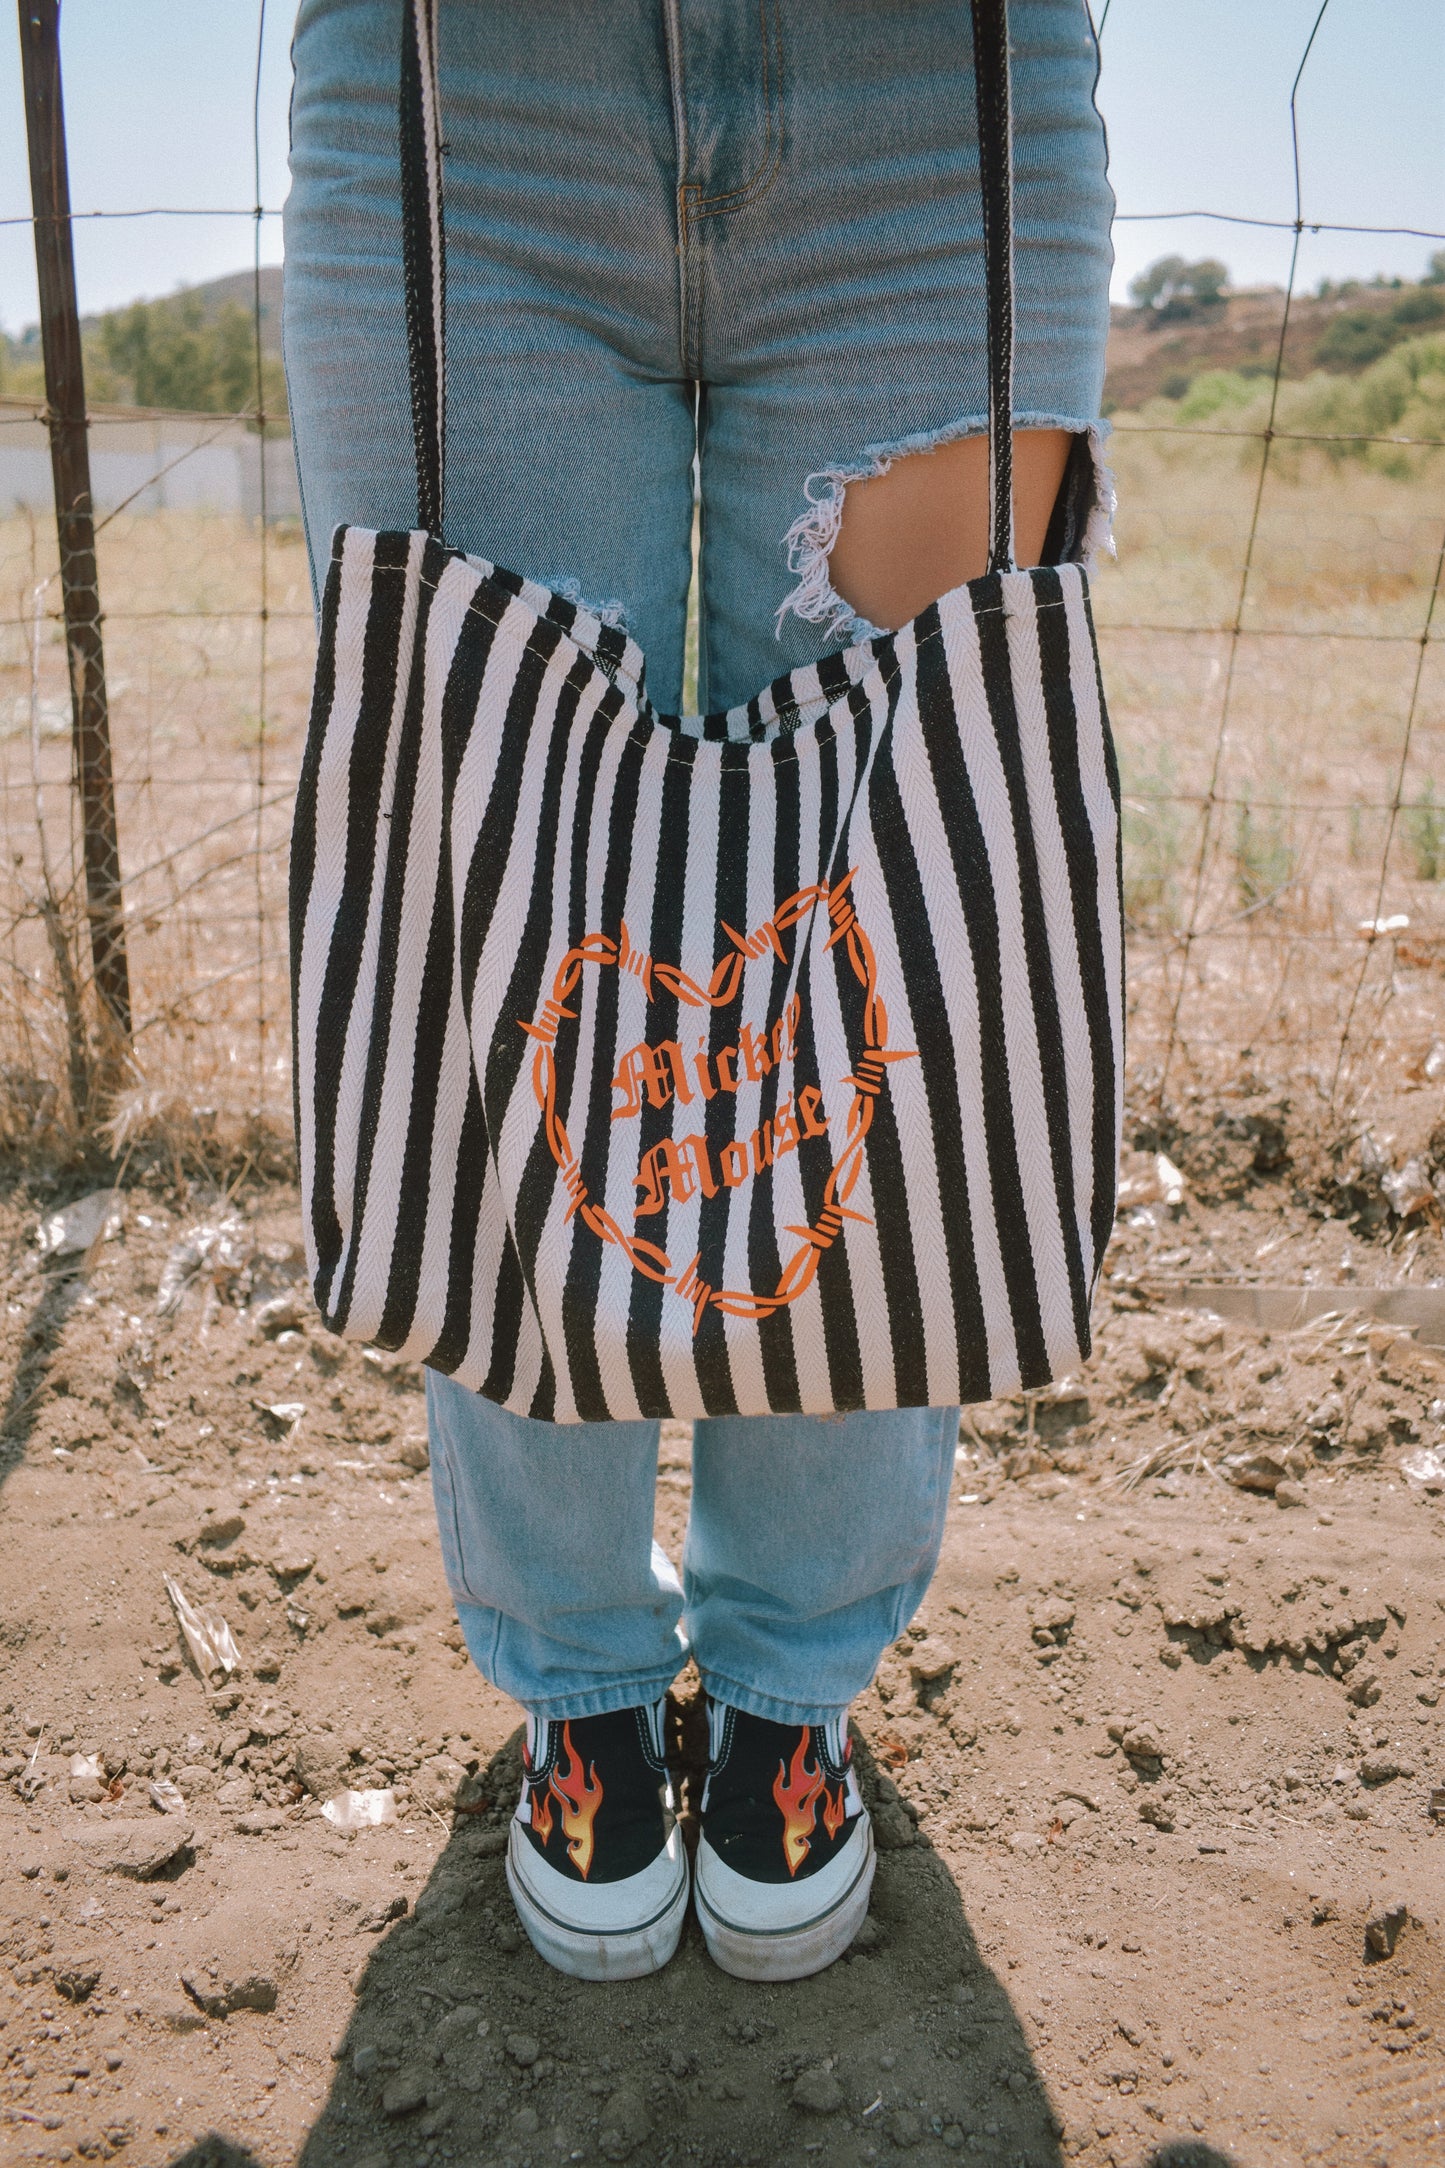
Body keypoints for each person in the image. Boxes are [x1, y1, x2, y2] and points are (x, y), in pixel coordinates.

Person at [283, 0, 1112, 1984]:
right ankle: (578, 1679)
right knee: (484, 902)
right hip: (459, 107)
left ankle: (789, 1687)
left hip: (943, 118)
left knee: (907, 907)